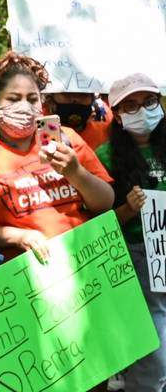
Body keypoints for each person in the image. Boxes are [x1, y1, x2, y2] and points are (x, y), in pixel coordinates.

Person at [0, 53, 114, 259]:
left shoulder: (66, 139)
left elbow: (106, 202)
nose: (24, 106)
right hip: (19, 279)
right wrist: (16, 236)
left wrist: (76, 172)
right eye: (14, 99)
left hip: (84, 261)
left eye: (32, 99)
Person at [95, 72, 166, 392]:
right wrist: (127, 209)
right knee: (154, 344)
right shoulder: (105, 157)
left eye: (149, 102)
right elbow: (97, 224)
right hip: (137, 256)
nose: (143, 110)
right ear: (118, 114)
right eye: (132, 105)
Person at [43, 91, 113, 149]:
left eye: (83, 94)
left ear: (92, 99)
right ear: (51, 99)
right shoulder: (41, 133)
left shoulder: (108, 132)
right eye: (66, 93)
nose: (75, 99)